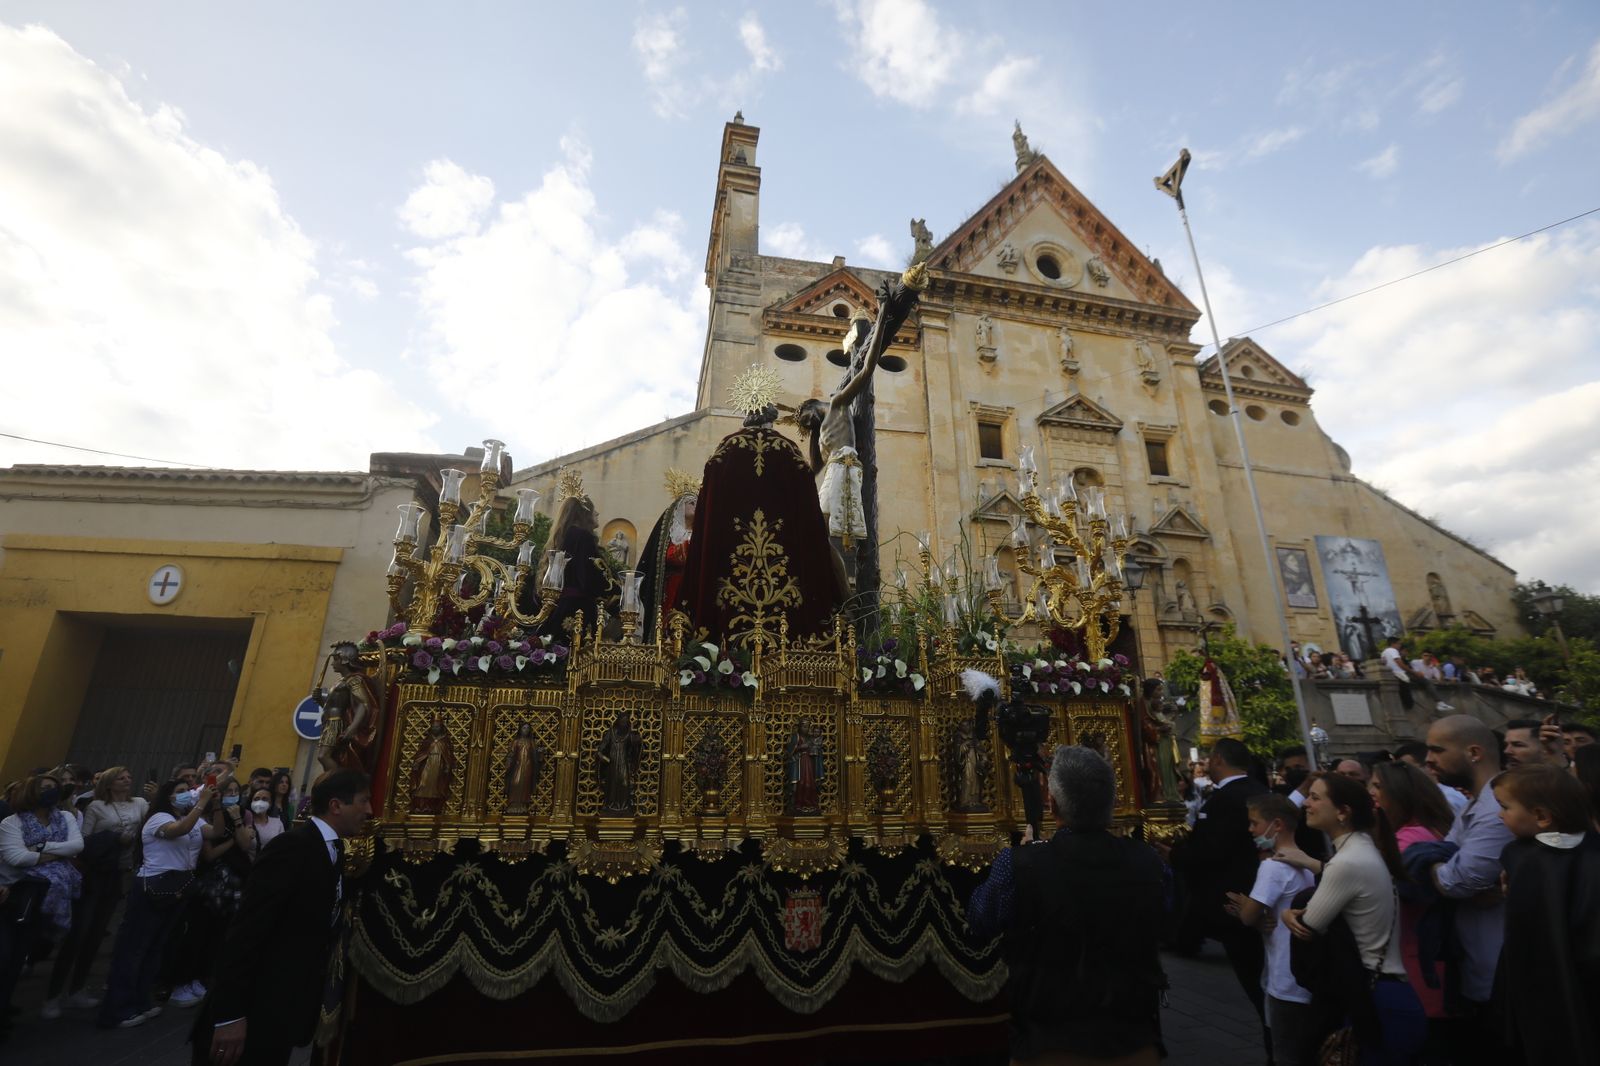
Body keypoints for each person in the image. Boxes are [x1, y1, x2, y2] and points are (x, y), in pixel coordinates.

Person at [970, 746, 1166, 1064]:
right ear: (1113, 804)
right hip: (1134, 1039)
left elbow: (981, 918)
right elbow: (1164, 916)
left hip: (1050, 1041)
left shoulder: (1019, 865)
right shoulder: (1148, 861)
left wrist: (1023, 857)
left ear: (1052, 805)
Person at [196, 769, 373, 1066]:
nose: (369, 810)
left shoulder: (333, 848)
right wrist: (229, 1016)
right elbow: (246, 932)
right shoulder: (292, 847)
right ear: (336, 805)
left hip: (282, 1008)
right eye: (364, 801)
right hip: (254, 1009)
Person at [1281, 774, 1425, 1064]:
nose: (1306, 803)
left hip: (1378, 997)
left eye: (1316, 797)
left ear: (1342, 812)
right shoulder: (1361, 849)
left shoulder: (1346, 862)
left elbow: (1308, 927)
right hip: (1389, 993)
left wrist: (1287, 915)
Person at [1419, 714, 1514, 1061]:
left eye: (1437, 750)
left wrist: (1426, 861)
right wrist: (1440, 861)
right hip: (1480, 966)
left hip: (1500, 975)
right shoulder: (1478, 803)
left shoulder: (1497, 808)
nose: (1428, 759)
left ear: (1474, 752)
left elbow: (1456, 880)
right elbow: (1448, 856)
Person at [1156, 738, 1270, 1024]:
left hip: (1233, 899)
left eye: (1209, 758)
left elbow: (1212, 848)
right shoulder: (1258, 790)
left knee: (1256, 980)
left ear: (1218, 759)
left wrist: (1177, 856)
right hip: (1254, 893)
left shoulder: (1225, 799)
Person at [1492, 764, 1600, 1063]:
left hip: (1553, 986)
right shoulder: (1526, 856)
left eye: (1504, 807)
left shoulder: (1534, 863)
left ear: (1541, 816)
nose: (1500, 815)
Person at [99, 777, 225, 1028]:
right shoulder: (159, 818)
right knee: (134, 948)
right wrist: (201, 803)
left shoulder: (195, 818)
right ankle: (118, 1008)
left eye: (187, 791)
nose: (186, 794)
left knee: (155, 947)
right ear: (168, 797)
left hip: (177, 887)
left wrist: (217, 806)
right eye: (180, 791)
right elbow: (179, 831)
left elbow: (217, 832)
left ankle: (140, 1001)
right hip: (153, 887)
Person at [44, 765, 146, 1017]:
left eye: (129, 776)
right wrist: (113, 838)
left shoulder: (140, 804)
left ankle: (77, 988)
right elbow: (84, 841)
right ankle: (54, 995)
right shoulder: (97, 807)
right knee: (79, 932)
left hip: (119, 872)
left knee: (97, 932)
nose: (127, 780)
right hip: (95, 873)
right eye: (121, 778)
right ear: (109, 783)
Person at [1224, 793, 1316, 1066]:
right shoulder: (1305, 863)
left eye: (1255, 823)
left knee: (1286, 1054)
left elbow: (1249, 916)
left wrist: (1245, 907)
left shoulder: (1272, 867)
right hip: (1302, 974)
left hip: (1285, 979)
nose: (1251, 829)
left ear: (1277, 825)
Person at [1368, 761, 1455, 1036]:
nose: (1370, 791)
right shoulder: (1408, 832)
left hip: (1416, 964)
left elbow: (1373, 890)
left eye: (1378, 786)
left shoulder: (1411, 839)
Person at [635, 477, 697, 642]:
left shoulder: (699, 535)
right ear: (679, 507)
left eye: (698, 503)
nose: (696, 506)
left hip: (691, 588)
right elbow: (666, 557)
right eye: (691, 502)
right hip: (670, 589)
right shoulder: (669, 534)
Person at [1394, 740, 1469, 816]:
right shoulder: (1423, 796)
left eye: (1407, 768)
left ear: (1427, 766)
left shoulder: (1447, 798)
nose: (1402, 774)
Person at [1502, 717, 1567, 770]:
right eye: (1506, 745)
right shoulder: (1498, 783)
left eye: (1518, 745)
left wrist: (1556, 755)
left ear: (1544, 750)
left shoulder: (1553, 783)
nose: (1507, 751)